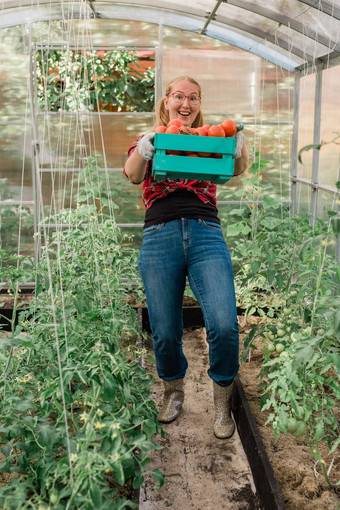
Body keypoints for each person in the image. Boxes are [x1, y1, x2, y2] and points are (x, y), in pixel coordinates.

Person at [124, 75, 249, 439]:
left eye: (192, 98)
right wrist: (144, 149)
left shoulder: (210, 139)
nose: (185, 103)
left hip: (205, 232)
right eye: (178, 96)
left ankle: (223, 401)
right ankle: (173, 392)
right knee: (163, 330)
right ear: (166, 102)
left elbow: (238, 169)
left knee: (225, 324)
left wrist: (238, 146)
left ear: (198, 104)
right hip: (159, 234)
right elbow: (132, 174)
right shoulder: (151, 139)